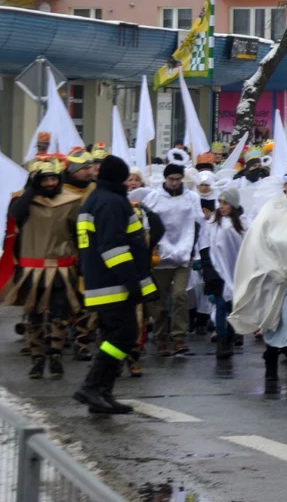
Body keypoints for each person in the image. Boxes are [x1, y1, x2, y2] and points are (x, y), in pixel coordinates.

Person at [72, 155, 159, 414]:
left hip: (104, 281)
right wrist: (131, 281)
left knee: (117, 335)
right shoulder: (111, 202)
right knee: (123, 335)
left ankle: (102, 391)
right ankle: (92, 386)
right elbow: (113, 248)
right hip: (113, 283)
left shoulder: (98, 199)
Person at [230, 168, 287, 388]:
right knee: (274, 320)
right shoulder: (271, 210)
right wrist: (271, 267)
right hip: (275, 277)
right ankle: (270, 362)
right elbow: (257, 243)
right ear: (285, 185)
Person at [3, 157, 83, 380]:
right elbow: (14, 218)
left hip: (62, 268)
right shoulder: (23, 202)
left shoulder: (72, 201)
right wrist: (30, 190)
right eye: (45, 179)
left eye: (53, 179)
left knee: (60, 314)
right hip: (32, 268)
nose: (50, 184)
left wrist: (82, 262)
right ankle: (37, 359)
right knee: (35, 315)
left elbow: (79, 234)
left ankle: (56, 355)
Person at [143, 163, 201, 357]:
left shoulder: (191, 197)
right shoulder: (154, 197)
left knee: (179, 295)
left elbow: (198, 222)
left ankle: (179, 337)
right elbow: (147, 225)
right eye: (171, 179)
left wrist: (193, 248)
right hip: (161, 256)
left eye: (178, 179)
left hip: (184, 253)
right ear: (165, 179)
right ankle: (160, 339)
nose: (175, 183)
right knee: (159, 300)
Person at [199, 186, 246, 359]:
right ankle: (221, 341)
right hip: (215, 271)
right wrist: (207, 267)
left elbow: (242, 250)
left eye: (225, 203)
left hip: (234, 272)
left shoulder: (240, 226)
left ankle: (230, 338)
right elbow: (205, 245)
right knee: (220, 306)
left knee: (232, 307)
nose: (222, 206)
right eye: (220, 202)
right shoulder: (212, 223)